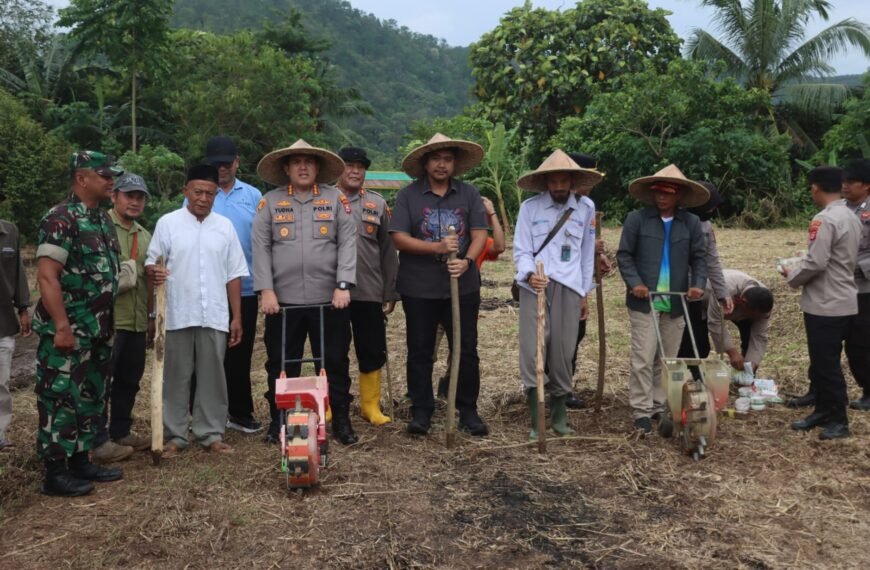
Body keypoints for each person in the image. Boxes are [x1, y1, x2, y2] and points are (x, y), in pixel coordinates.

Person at [252, 140, 358, 445]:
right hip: (282, 303)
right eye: (296, 162)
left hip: (331, 300)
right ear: (286, 168)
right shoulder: (269, 202)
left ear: (318, 168)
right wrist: (266, 291)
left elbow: (347, 243)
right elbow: (260, 247)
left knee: (336, 360)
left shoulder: (335, 199)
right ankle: (279, 420)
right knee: (281, 364)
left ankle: (341, 420)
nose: (302, 167)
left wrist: (343, 285)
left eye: (308, 162)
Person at [33, 151, 123, 497]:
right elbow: (47, 277)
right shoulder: (60, 218)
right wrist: (61, 326)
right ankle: (55, 471)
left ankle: (81, 458)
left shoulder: (100, 219)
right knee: (59, 397)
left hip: (98, 329)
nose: (110, 180)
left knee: (90, 396)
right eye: (104, 175)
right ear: (82, 178)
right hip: (70, 329)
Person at [389, 133, 489, 436]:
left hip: (463, 285)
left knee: (466, 348)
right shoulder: (409, 196)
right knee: (419, 349)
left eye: (447, 159)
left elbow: (479, 233)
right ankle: (422, 410)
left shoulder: (469, 194)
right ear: (425, 163)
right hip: (419, 287)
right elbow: (399, 238)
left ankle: (467, 409)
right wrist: (436, 249)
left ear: (454, 164)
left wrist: (467, 261)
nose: (442, 164)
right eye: (436, 159)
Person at [146, 165, 248, 458]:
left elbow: (234, 274)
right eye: (198, 192)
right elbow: (152, 264)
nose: (204, 198)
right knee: (176, 376)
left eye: (210, 193)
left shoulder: (224, 227)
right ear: (186, 192)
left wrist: (236, 315)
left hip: (213, 313)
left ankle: (210, 433)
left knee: (213, 376)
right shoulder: (168, 223)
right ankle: (175, 435)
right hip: (176, 313)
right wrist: (154, 274)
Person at [616, 164, 709, 434]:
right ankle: (642, 410)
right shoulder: (637, 219)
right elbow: (624, 255)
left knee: (667, 359)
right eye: (658, 193)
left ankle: (659, 404)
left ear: (678, 195)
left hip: (676, 300)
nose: (662, 198)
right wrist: (636, 284)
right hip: (645, 300)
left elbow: (699, 259)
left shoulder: (690, 223)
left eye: (668, 193)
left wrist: (698, 285)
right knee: (643, 357)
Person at [513, 150, 599, 439]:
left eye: (564, 181)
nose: (559, 187)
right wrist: (529, 274)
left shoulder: (586, 208)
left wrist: (585, 292)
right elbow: (522, 250)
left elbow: (586, 256)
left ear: (573, 181)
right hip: (534, 285)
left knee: (563, 351)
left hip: (570, 287)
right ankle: (537, 419)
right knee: (533, 350)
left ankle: (560, 417)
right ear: (545, 182)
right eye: (554, 181)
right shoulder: (529, 208)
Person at [784, 166, 861, 439]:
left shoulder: (824, 219)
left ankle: (838, 419)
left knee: (826, 364)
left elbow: (816, 261)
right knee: (823, 362)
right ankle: (823, 410)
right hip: (845, 298)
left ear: (815, 187)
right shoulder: (851, 215)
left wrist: (792, 276)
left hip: (825, 303)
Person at [203, 136, 264, 433]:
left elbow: (265, 241)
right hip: (207, 287)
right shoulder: (200, 194)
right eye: (216, 164)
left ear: (237, 162)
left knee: (240, 351)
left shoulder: (253, 196)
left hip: (246, 287)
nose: (222, 169)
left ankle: (240, 412)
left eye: (227, 163)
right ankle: (205, 414)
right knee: (206, 352)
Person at [92, 174, 154, 463]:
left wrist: (151, 317)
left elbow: (149, 280)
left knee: (129, 379)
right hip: (107, 321)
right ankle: (97, 439)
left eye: (140, 197)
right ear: (114, 196)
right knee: (100, 381)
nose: (135, 201)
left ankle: (121, 431)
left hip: (136, 320)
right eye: (129, 195)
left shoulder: (145, 235)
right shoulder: (99, 226)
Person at [335, 146, 399, 426]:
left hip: (369, 290)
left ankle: (370, 406)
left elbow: (388, 250)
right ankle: (333, 404)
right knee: (334, 350)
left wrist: (390, 291)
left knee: (372, 348)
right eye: (349, 165)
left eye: (360, 167)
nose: (355, 171)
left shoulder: (377, 204)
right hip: (333, 292)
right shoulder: (323, 200)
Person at [434, 194, 504, 400]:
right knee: (426, 351)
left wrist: (492, 213)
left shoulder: (478, 242)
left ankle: (449, 390)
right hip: (433, 301)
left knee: (459, 354)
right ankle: (416, 395)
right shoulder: (445, 237)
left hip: (462, 303)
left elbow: (499, 246)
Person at [564, 151, 607, 409]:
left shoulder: (587, 206)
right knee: (549, 335)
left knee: (576, 332)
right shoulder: (542, 204)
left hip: (578, 280)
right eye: (587, 179)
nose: (590, 186)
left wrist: (595, 253)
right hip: (551, 279)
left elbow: (585, 243)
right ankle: (543, 384)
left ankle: (564, 384)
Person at [677, 182, 732, 361]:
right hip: (671, 292)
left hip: (695, 293)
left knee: (699, 344)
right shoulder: (676, 220)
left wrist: (722, 293)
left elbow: (712, 261)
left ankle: (693, 380)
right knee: (677, 340)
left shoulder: (707, 226)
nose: (713, 210)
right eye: (711, 205)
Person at [0, 192, 31, 452]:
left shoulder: (9, 232)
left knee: (1, 382)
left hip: (3, 321)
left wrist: (23, 308)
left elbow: (18, 273)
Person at [842, 159, 870, 411]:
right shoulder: (839, 208)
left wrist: (858, 268)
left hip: (864, 288)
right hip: (838, 286)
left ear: (867, 185)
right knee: (827, 341)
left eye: (852, 182)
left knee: (860, 342)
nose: (846, 186)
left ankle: (868, 389)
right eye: (844, 181)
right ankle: (818, 389)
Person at [706, 270, 773, 371]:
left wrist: (752, 365)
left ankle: (745, 377)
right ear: (743, 302)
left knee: (749, 339)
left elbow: (759, 336)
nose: (756, 319)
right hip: (705, 298)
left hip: (742, 307)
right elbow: (715, 322)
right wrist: (732, 353)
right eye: (753, 315)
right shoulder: (723, 291)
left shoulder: (763, 302)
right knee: (701, 344)